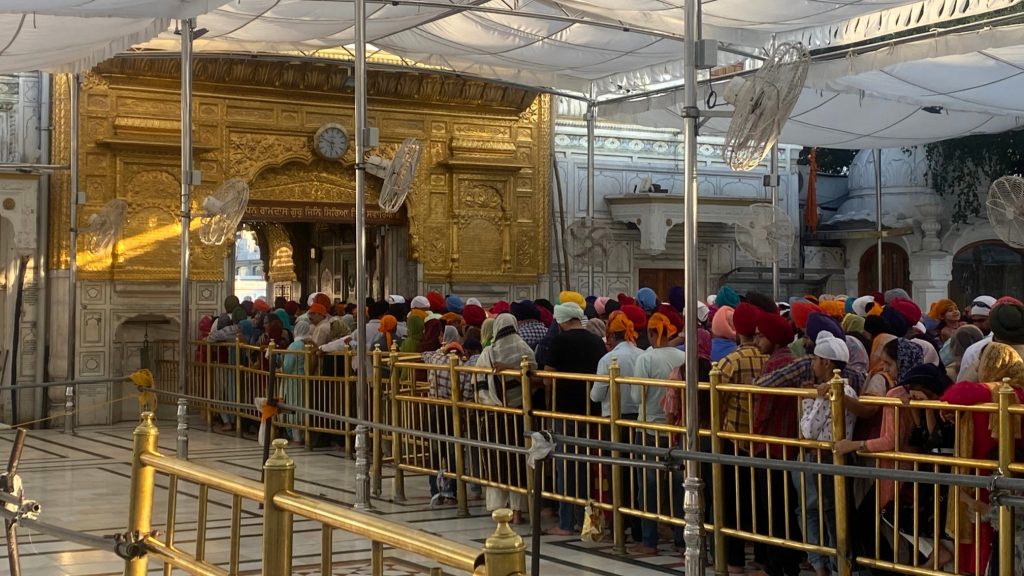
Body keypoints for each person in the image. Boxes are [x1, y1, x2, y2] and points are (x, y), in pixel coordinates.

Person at [797, 332, 857, 576]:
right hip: (823, 458)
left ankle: (837, 567)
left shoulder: (837, 392)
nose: (812, 364)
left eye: (815, 360)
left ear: (827, 363)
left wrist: (814, 401)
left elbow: (808, 430)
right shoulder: (845, 390)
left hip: (828, 458)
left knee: (831, 516)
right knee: (818, 511)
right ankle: (826, 565)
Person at [543, 302, 606, 536]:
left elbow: (548, 378)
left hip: (566, 411)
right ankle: (587, 521)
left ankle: (567, 522)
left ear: (561, 321)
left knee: (565, 465)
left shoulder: (559, 341)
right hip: (591, 411)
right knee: (587, 467)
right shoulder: (597, 341)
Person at [716, 303, 769, 574]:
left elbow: (717, 403)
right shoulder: (767, 359)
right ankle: (762, 557)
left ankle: (734, 562)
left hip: (733, 441)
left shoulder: (730, 361)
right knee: (762, 502)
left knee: (732, 502)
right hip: (763, 443)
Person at [629, 312, 686, 554]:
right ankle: (681, 539)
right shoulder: (682, 356)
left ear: (652, 334)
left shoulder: (646, 358)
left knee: (648, 487)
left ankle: (649, 541)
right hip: (675, 430)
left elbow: (635, 396)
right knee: (678, 487)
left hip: (649, 428)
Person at [475, 313, 537, 525]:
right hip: (520, 415)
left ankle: (500, 511)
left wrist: (491, 403)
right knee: (518, 461)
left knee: (497, 462)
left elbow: (480, 384)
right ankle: (518, 512)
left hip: (494, 416)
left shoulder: (488, 353)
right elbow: (534, 378)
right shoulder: (525, 350)